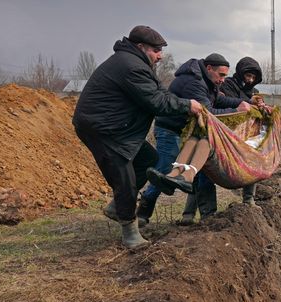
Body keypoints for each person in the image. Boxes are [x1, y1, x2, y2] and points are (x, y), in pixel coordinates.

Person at [72, 25, 203, 249]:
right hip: (103, 129)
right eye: (156, 50)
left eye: (160, 50)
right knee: (125, 177)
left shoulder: (138, 64)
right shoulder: (131, 66)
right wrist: (187, 105)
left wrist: (182, 103)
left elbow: (160, 93)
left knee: (148, 161)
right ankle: (130, 233)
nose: (160, 55)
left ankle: (116, 207)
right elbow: (156, 102)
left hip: (119, 128)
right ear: (140, 47)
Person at [135, 53, 252, 226]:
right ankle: (142, 212)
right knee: (165, 170)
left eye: (225, 76)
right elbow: (207, 113)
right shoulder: (194, 82)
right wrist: (237, 112)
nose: (222, 80)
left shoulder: (207, 81)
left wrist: (241, 103)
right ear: (209, 68)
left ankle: (208, 214)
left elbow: (219, 99)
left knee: (202, 170)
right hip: (171, 129)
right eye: (221, 75)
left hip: (188, 132)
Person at [220, 57, 268, 206]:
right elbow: (227, 101)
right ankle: (191, 212)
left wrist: (262, 107)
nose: (250, 80)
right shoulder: (228, 84)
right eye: (248, 76)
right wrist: (249, 101)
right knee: (206, 172)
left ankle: (249, 199)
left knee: (252, 160)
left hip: (247, 134)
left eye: (253, 77)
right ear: (241, 73)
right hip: (225, 133)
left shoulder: (254, 91)